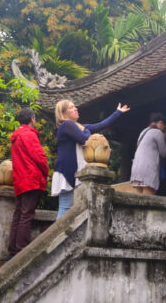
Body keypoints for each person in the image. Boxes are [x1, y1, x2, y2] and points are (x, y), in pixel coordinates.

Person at [52, 100, 130, 217]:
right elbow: (84, 139)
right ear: (63, 113)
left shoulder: (78, 127)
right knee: (65, 206)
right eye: (71, 107)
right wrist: (88, 131)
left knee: (70, 207)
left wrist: (117, 112)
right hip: (66, 171)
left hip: (71, 170)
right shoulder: (67, 125)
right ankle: (57, 234)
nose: (76, 109)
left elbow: (100, 125)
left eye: (75, 106)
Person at [8, 108, 49, 257]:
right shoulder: (29, 135)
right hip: (31, 179)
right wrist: (46, 172)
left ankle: (13, 248)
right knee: (26, 215)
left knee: (18, 214)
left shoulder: (16, 136)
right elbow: (39, 156)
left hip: (20, 180)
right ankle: (22, 249)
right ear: (32, 119)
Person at [130, 112, 166, 195]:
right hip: (148, 172)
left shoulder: (143, 132)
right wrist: (164, 137)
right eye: (164, 127)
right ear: (161, 123)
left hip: (136, 172)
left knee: (137, 202)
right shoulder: (157, 132)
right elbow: (164, 153)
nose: (163, 129)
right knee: (147, 203)